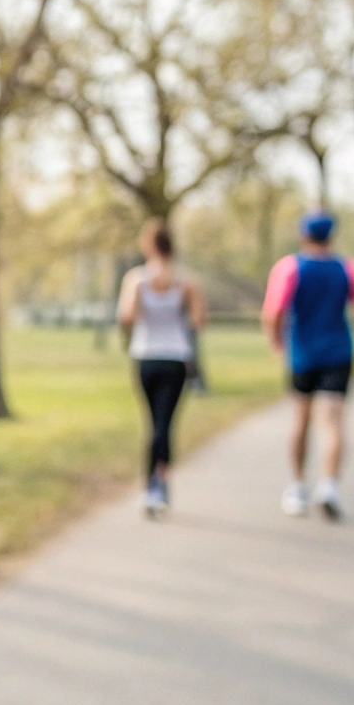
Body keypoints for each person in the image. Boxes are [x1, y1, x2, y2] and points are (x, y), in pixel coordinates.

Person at [261, 211, 354, 521]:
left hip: (302, 354)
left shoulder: (289, 268)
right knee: (333, 422)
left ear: (303, 236)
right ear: (332, 237)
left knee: (300, 420)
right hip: (339, 352)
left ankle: (298, 487)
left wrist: (276, 341)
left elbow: (274, 312)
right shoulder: (351, 269)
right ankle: (329, 487)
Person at [118, 219, 208, 516]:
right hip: (175, 357)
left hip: (146, 356)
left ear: (148, 245)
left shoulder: (136, 279)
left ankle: (151, 487)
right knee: (164, 423)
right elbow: (198, 322)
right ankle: (160, 483)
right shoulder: (186, 280)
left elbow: (127, 317)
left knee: (153, 423)